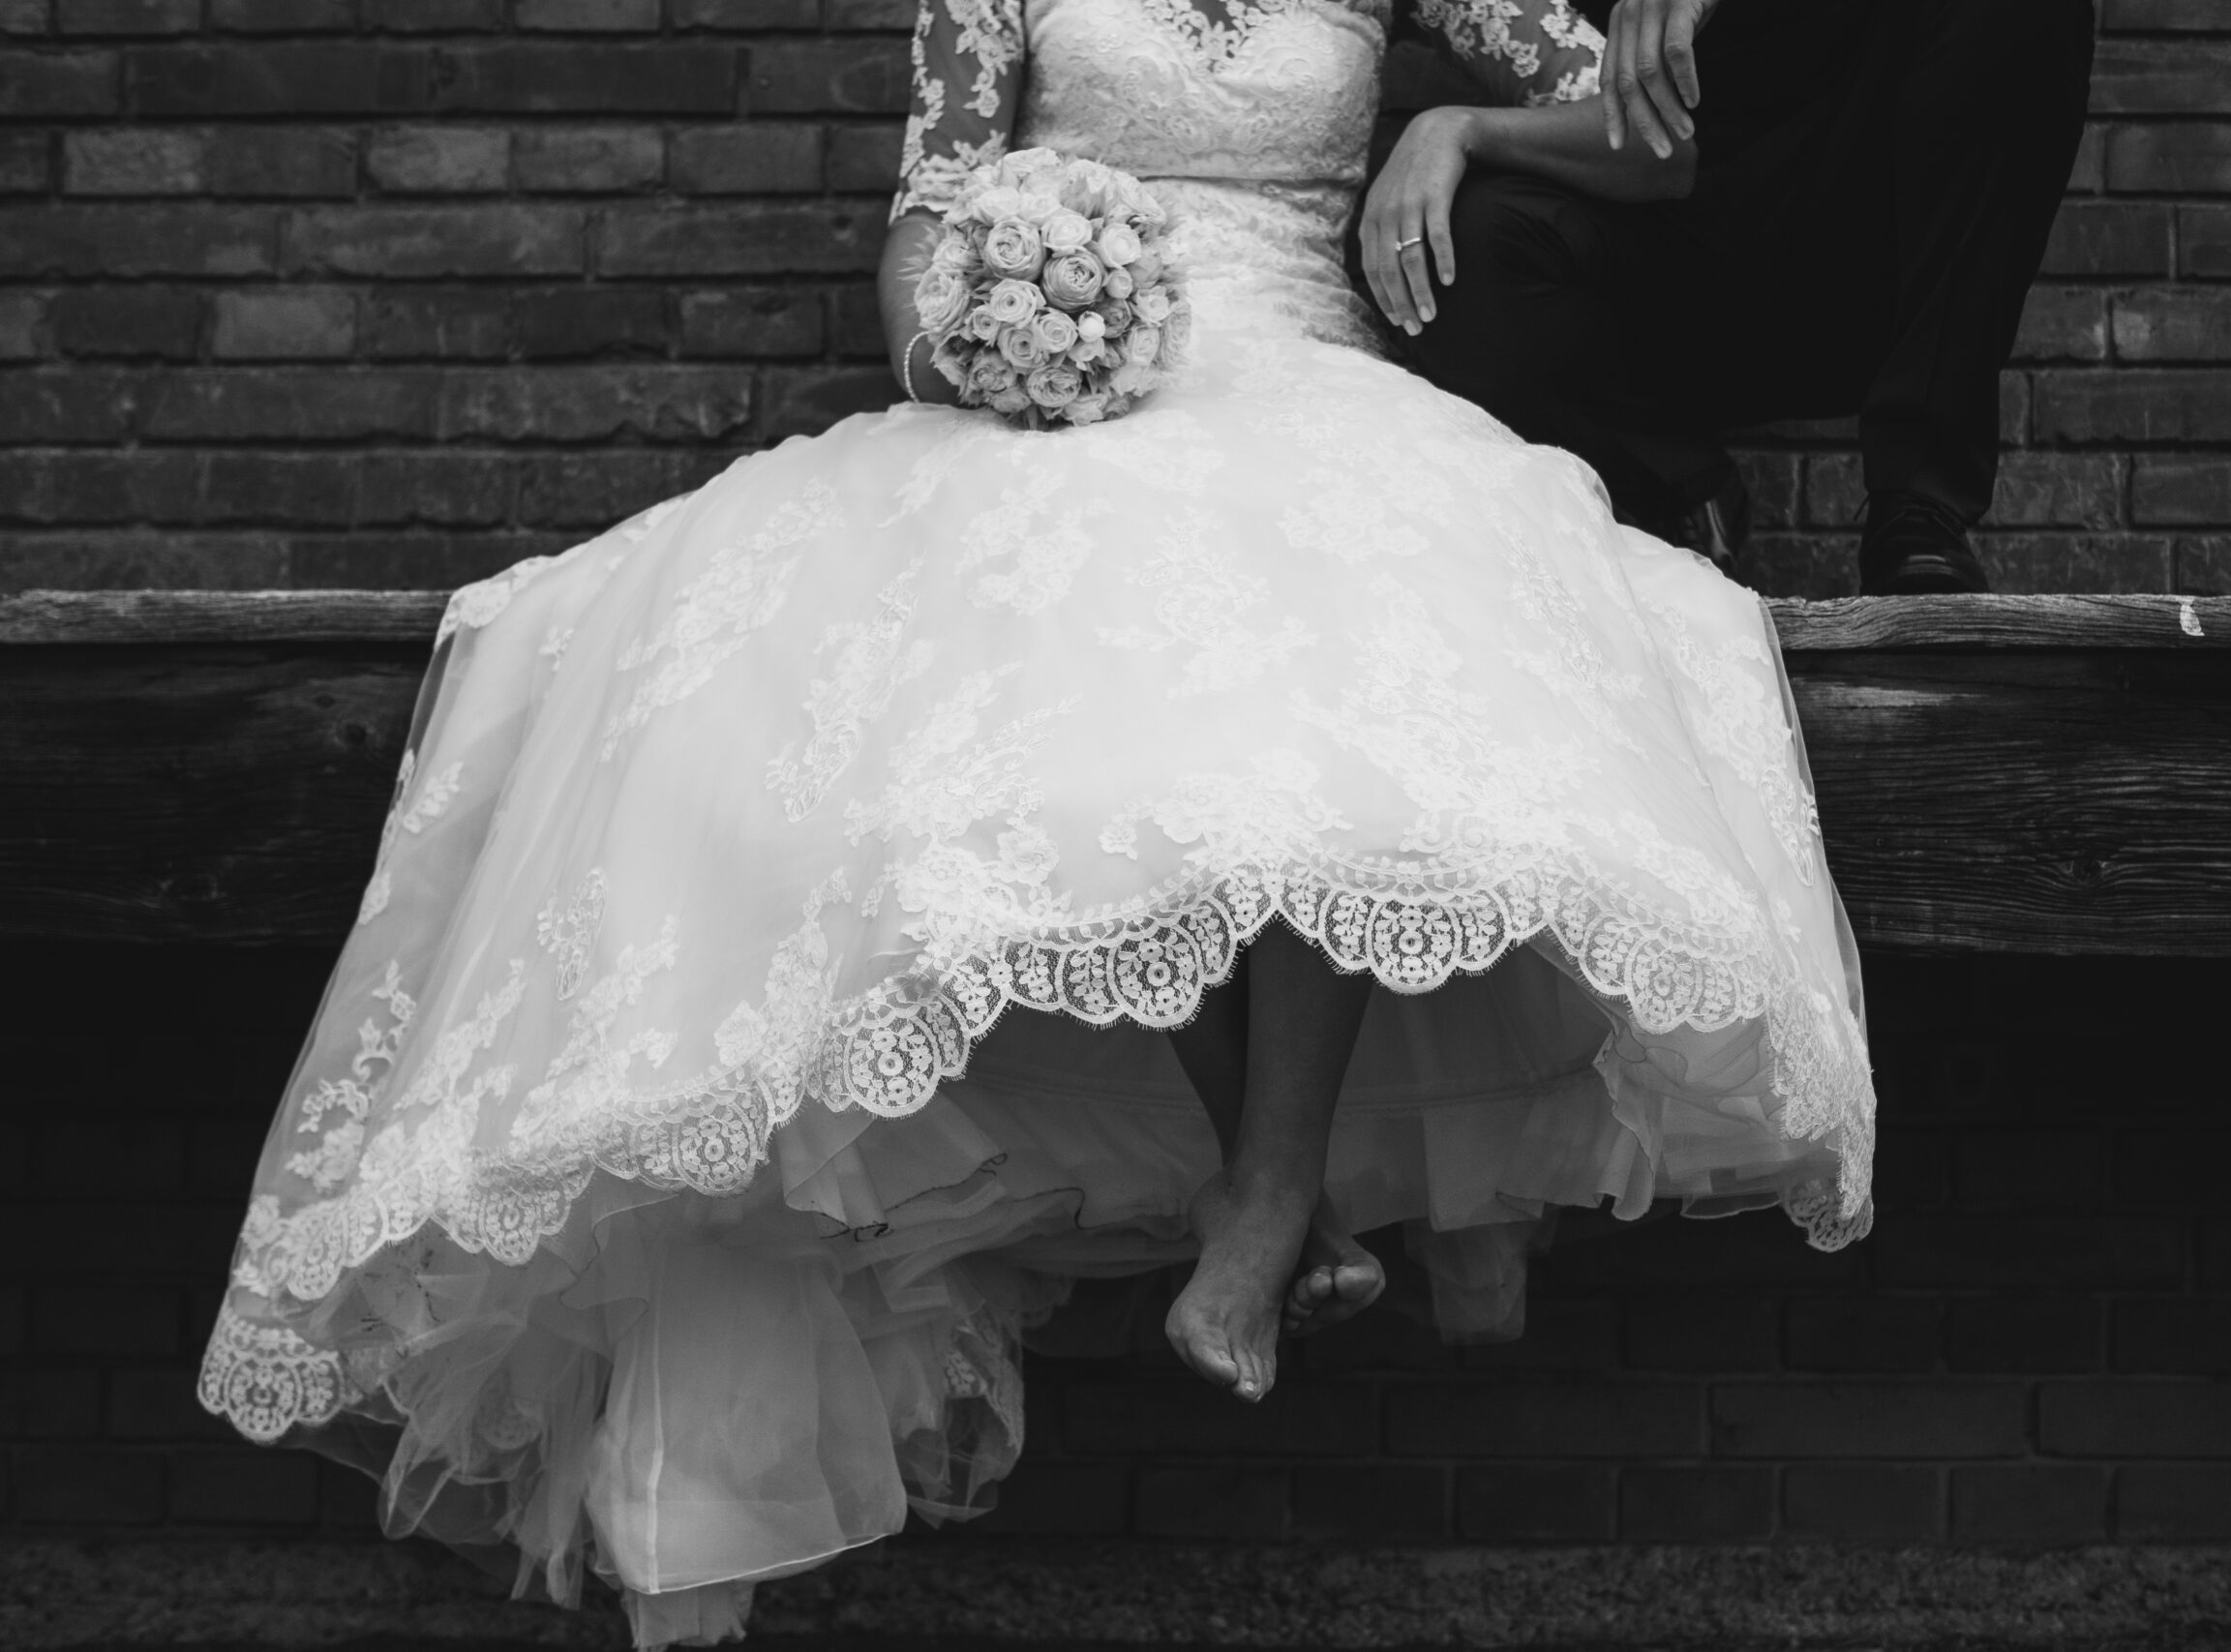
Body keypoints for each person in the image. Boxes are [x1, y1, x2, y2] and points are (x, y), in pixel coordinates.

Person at [197, 0, 1877, 1642]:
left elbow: (1664, 142)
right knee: (1075, 686)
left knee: (1340, 668)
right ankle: (1269, 1191)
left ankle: (1269, 1192)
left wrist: (1461, 121)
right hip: (1069, 414)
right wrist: (977, 348)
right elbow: (928, 221)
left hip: (1317, 394)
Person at [1377, 0, 2095, 592]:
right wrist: (1454, 127)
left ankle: (1919, 507)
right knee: (1451, 243)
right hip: (1662, 264)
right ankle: (1681, 489)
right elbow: (1647, 142)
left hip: (1868, 220)